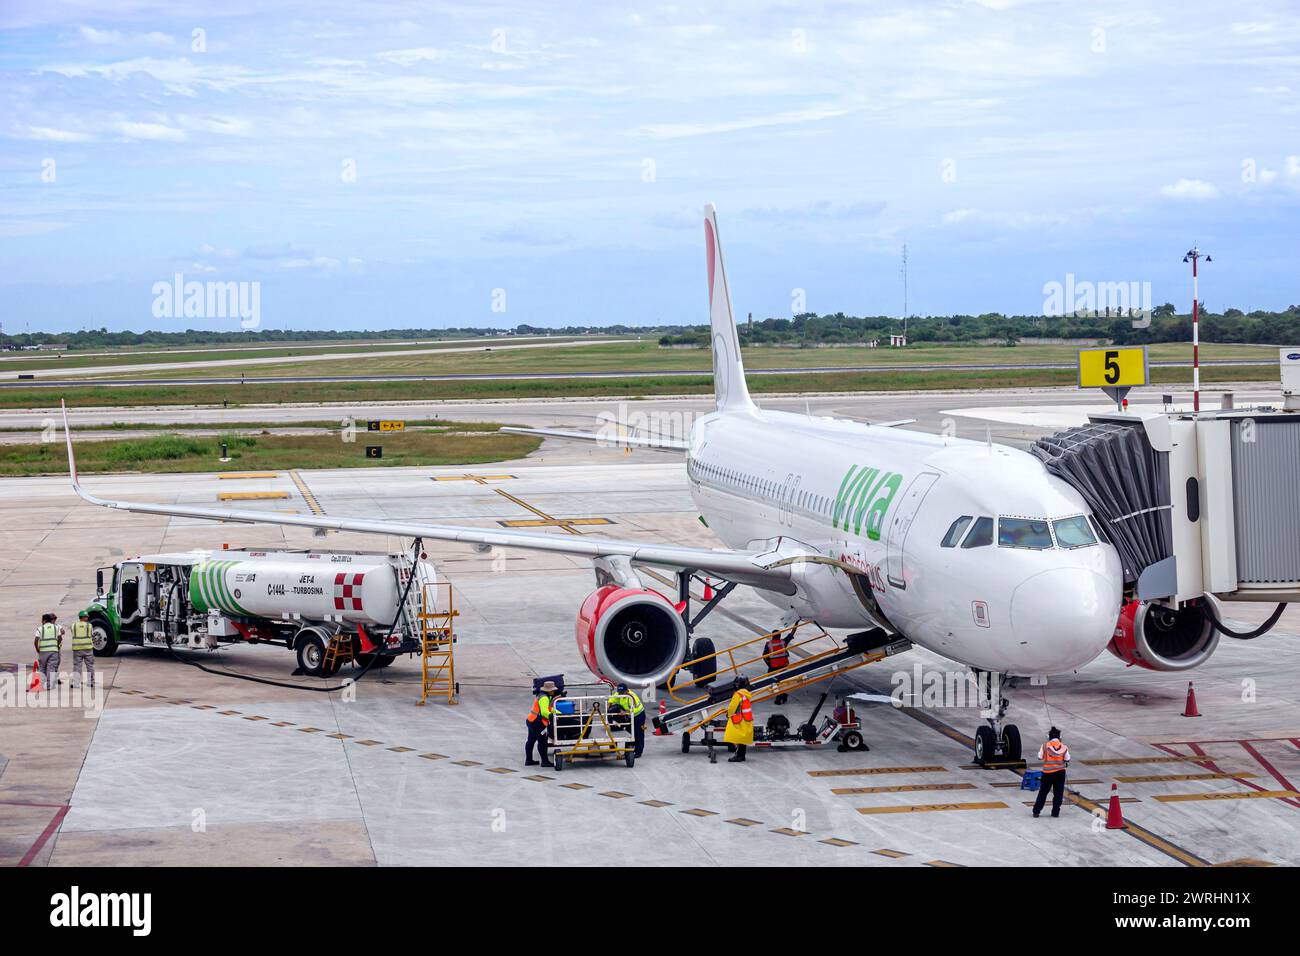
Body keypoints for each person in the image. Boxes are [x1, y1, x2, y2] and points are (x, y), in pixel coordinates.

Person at [1032, 726, 1070, 818]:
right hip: (1060, 773)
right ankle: (1055, 812)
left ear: (1048, 737)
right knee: (1058, 793)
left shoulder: (1045, 746)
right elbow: (1067, 758)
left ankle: (1036, 811)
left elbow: (1040, 757)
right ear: (1060, 737)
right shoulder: (1064, 747)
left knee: (1043, 792)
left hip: (1048, 773)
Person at [525, 680, 558, 767]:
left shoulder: (543, 695)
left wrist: (558, 712)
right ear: (549, 690)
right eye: (553, 690)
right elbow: (544, 712)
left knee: (531, 741)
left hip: (531, 720)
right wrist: (553, 716)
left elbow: (549, 708)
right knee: (542, 741)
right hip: (537, 723)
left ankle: (528, 760)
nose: (554, 691)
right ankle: (545, 761)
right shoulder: (544, 698)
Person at [608, 683, 645, 758]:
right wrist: (609, 708)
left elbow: (634, 709)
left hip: (638, 715)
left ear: (626, 691)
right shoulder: (618, 694)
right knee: (629, 733)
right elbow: (611, 700)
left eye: (622, 692)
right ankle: (628, 751)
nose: (620, 694)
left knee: (638, 734)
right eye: (619, 692)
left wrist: (624, 712)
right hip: (629, 716)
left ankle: (638, 752)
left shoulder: (631, 697)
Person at [724, 676, 755, 762]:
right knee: (742, 739)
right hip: (747, 719)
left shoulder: (738, 694)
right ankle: (742, 755)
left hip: (740, 719)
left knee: (737, 738)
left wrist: (728, 714)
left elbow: (732, 707)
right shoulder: (746, 694)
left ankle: (739, 756)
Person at [33, 612, 64, 692]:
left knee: (42, 668)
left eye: (42, 620)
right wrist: (57, 645)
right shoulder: (56, 628)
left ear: (44, 621)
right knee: (51, 668)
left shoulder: (40, 628)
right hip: (54, 651)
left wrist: (37, 649)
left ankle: (41, 685)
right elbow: (60, 638)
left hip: (43, 651)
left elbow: (36, 640)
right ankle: (49, 686)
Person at [70, 610, 95, 689]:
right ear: (84, 617)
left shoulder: (73, 626)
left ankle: (76, 683)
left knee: (77, 666)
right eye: (86, 617)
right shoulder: (89, 626)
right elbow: (91, 634)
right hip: (88, 649)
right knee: (90, 665)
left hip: (77, 649)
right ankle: (90, 682)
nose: (87, 618)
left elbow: (73, 633)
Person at [763, 632, 790, 704]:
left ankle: (779, 697)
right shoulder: (783, 642)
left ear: (772, 636)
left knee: (773, 681)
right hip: (784, 665)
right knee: (782, 681)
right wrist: (796, 625)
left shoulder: (769, 644)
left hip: (773, 666)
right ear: (780, 636)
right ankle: (783, 695)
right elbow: (790, 636)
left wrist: (769, 664)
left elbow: (764, 656)